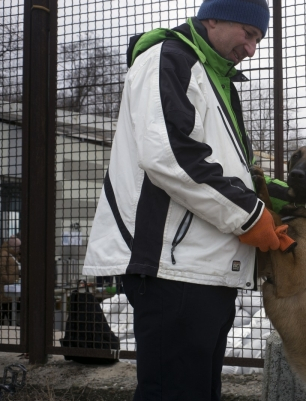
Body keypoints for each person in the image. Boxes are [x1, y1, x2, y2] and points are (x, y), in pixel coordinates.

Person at [82, 1, 292, 399]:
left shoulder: (216, 79)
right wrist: (250, 216)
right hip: (170, 269)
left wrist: (284, 197)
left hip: (203, 268)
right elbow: (169, 155)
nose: (252, 49)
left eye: (259, 40)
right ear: (213, 17)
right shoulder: (170, 58)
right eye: (248, 34)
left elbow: (232, 168)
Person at [0, 237, 20, 325]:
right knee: (7, 309)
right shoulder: (4, 254)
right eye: (18, 246)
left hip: (10, 287)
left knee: (7, 310)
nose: (19, 248)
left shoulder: (11, 255)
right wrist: (8, 280)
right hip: (6, 287)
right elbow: (2, 269)